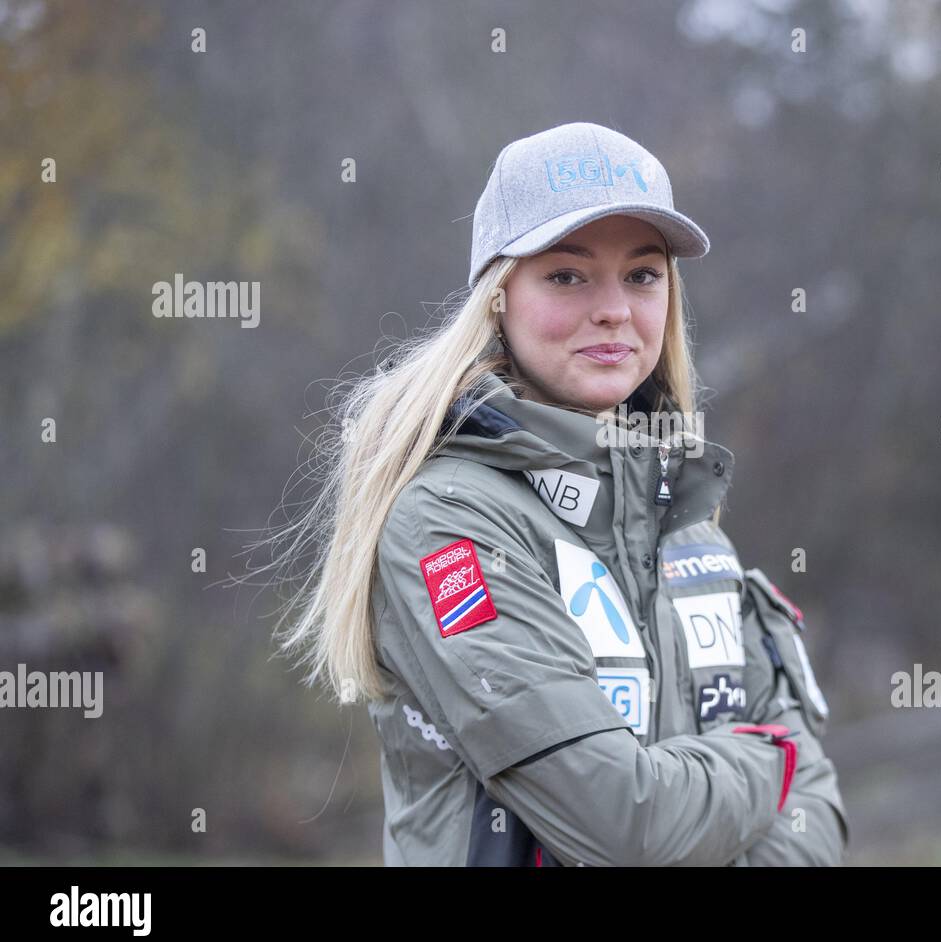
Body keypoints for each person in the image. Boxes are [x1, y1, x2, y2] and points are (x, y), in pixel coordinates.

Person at [276, 121, 848, 866]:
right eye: (568, 275)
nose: (614, 309)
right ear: (498, 296)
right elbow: (624, 824)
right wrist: (774, 757)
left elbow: (818, 824)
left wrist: (753, 789)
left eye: (643, 275)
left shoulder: (687, 515)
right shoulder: (449, 524)